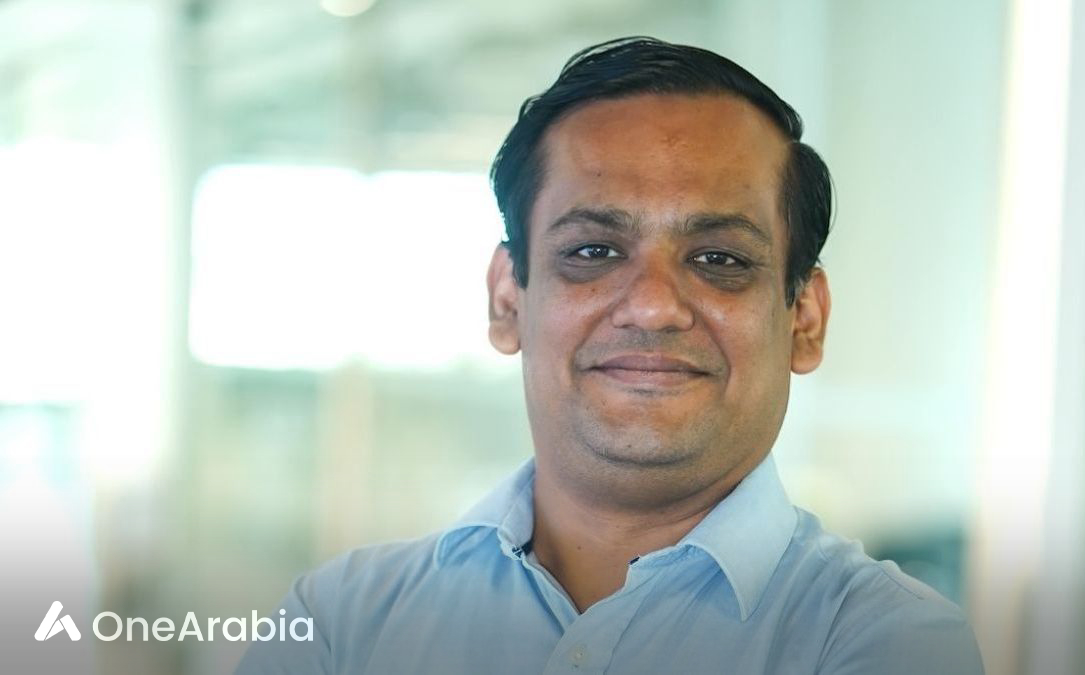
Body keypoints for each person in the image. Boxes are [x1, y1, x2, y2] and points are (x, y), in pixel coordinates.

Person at [235, 36, 983, 674]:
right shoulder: (340, 624)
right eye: (593, 250)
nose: (654, 306)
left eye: (720, 259)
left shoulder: (888, 643)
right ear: (508, 300)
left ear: (805, 321)